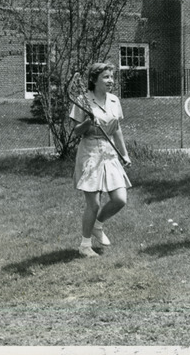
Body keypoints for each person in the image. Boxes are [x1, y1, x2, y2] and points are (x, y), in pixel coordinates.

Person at [69, 62, 132, 257]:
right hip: (90, 152)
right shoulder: (82, 100)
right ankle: (85, 246)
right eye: (106, 77)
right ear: (94, 80)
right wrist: (88, 121)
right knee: (93, 204)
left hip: (109, 152)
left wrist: (124, 154)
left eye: (112, 77)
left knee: (120, 199)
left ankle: (98, 225)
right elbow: (75, 130)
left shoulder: (114, 100)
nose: (111, 81)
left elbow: (117, 128)